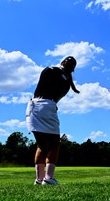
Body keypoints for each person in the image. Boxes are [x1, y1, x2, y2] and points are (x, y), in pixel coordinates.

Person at [26, 56, 80, 185]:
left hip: (32, 106)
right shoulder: (63, 79)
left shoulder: (51, 70)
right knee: (54, 143)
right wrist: (71, 80)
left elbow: (59, 74)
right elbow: (64, 77)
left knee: (42, 145)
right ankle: (48, 178)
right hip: (46, 105)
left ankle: (39, 180)